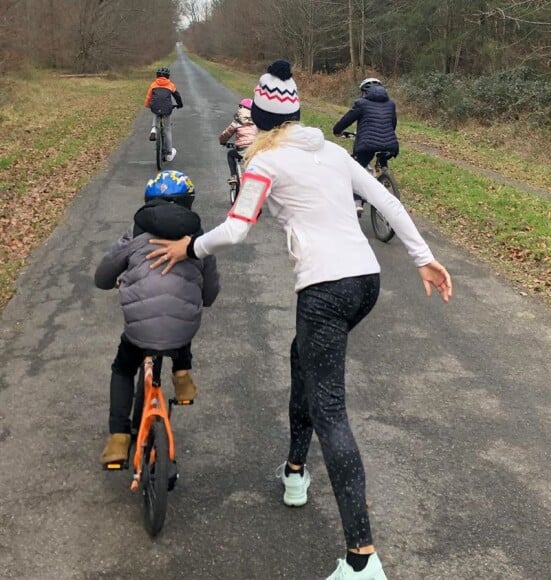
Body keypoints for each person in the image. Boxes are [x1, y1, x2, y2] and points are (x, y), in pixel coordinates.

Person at [145, 60, 452, 580]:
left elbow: (238, 229)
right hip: (365, 282)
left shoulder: (265, 164)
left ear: (261, 119)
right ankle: (293, 471)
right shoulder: (331, 152)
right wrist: (422, 256)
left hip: (326, 289)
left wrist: (189, 247)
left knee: (330, 408)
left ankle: (362, 559)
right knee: (301, 359)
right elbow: (384, 200)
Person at [94, 170, 220, 465]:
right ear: (189, 203)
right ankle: (182, 374)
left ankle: (118, 437)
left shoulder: (134, 234)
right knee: (181, 319)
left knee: (124, 367)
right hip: (182, 329)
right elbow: (210, 295)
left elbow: (102, 278)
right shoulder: (198, 241)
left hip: (140, 332)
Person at [333, 77, 399, 217]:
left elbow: (347, 119)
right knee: (382, 159)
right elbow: (392, 124)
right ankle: (383, 175)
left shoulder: (361, 103)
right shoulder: (391, 104)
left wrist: (337, 130)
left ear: (364, 91)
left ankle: (357, 202)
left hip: (367, 144)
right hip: (390, 144)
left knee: (356, 170)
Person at [144, 66, 184, 163]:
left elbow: (149, 97)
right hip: (167, 108)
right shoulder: (170, 85)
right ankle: (169, 154)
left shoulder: (153, 84)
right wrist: (180, 105)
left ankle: (153, 128)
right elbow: (177, 96)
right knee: (167, 130)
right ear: (168, 76)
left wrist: (147, 105)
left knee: (155, 110)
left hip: (156, 107)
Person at [219, 98, 258, 184]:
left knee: (231, 154)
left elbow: (227, 133)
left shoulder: (238, 120)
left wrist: (222, 141)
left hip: (243, 149)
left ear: (241, 107)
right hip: (256, 149)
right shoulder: (257, 120)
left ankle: (234, 176)